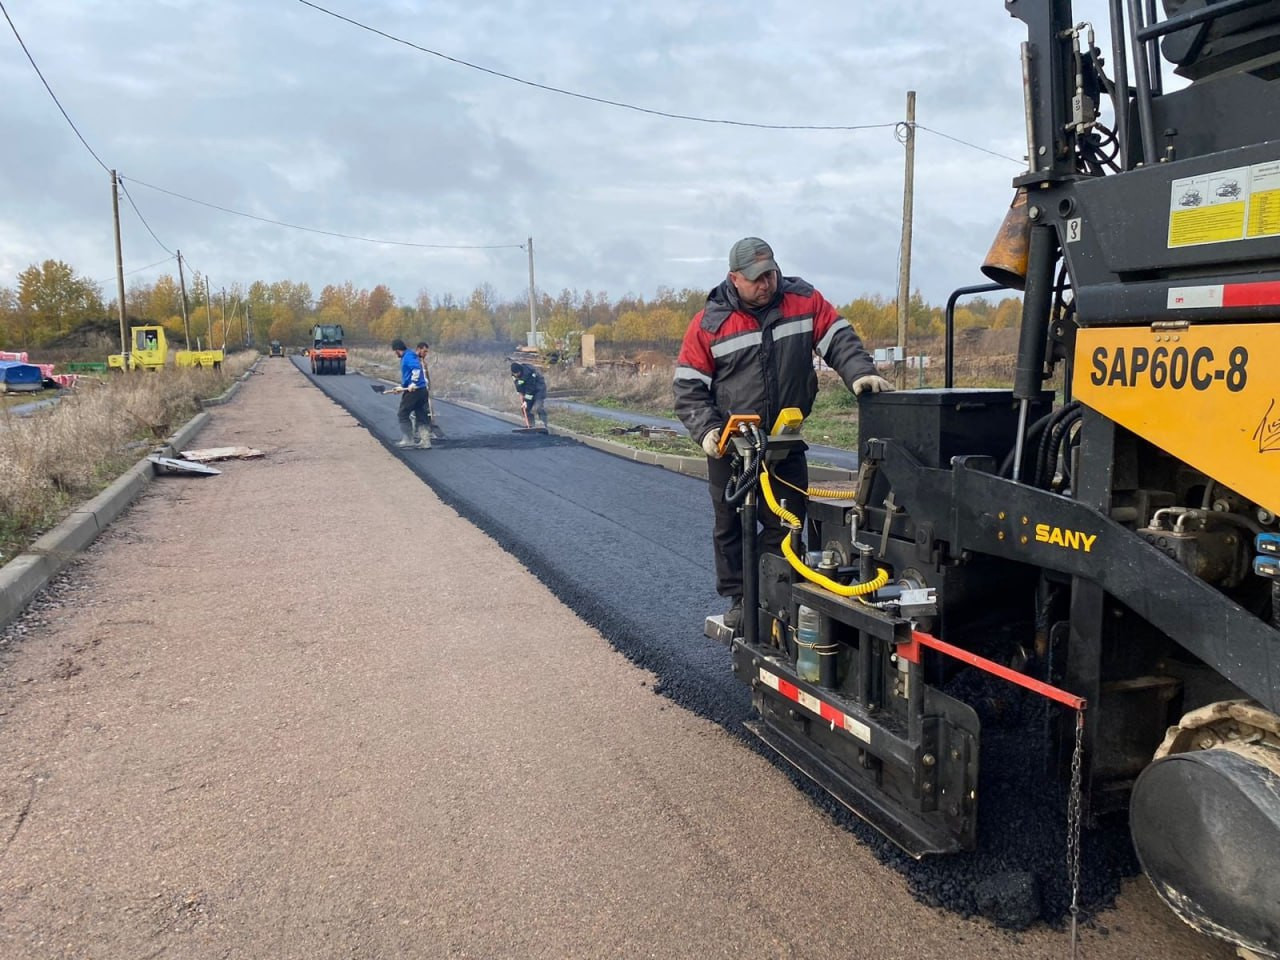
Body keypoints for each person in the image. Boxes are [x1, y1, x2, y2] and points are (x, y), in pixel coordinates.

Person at [673, 237, 894, 633]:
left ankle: (776, 596)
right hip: (733, 448)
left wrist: (860, 372)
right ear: (734, 278)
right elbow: (688, 386)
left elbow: (839, 337)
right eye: (757, 278)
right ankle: (741, 599)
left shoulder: (802, 300)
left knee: (789, 522)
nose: (767, 283)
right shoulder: (711, 323)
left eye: (771, 273)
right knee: (731, 526)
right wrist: (707, 430)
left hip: (783, 441)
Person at [391, 338, 430, 448]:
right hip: (422, 390)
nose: (395, 354)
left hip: (415, 391)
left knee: (403, 414)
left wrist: (413, 383)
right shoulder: (409, 355)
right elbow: (408, 375)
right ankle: (425, 441)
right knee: (421, 414)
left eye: (395, 351)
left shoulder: (408, 356)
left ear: (398, 349)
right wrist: (401, 387)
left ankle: (408, 439)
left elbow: (416, 369)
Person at [414, 341, 444, 439]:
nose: (425, 354)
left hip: (424, 390)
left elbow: (427, 376)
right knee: (418, 412)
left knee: (427, 411)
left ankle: (428, 430)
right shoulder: (414, 361)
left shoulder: (424, 362)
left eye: (427, 352)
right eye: (424, 351)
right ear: (418, 349)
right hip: (417, 390)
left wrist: (429, 387)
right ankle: (418, 432)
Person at [510, 361, 548, 429]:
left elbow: (530, 388)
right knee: (525, 408)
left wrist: (526, 401)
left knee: (538, 407)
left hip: (538, 389)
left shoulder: (529, 373)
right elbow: (517, 383)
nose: (515, 375)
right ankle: (531, 425)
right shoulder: (514, 374)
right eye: (514, 374)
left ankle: (544, 425)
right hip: (528, 390)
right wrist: (519, 391)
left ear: (520, 371)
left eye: (517, 373)